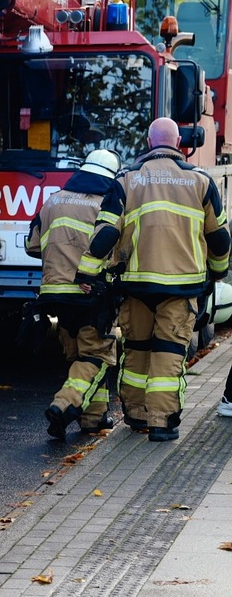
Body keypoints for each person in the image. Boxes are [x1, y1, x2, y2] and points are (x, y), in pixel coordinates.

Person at [75, 117, 231, 441]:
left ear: (148, 143)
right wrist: (217, 272)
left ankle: (135, 415)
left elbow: (105, 233)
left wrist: (87, 272)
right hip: (182, 285)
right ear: (178, 144)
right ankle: (161, 424)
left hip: (136, 285)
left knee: (137, 350)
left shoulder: (126, 180)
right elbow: (220, 239)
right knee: (169, 353)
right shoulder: (201, 181)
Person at [28, 149, 122, 439]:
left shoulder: (53, 200)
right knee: (98, 356)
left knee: (79, 356)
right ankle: (63, 404)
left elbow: (32, 246)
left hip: (54, 293)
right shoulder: (105, 204)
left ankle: (93, 420)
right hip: (89, 292)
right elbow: (115, 248)